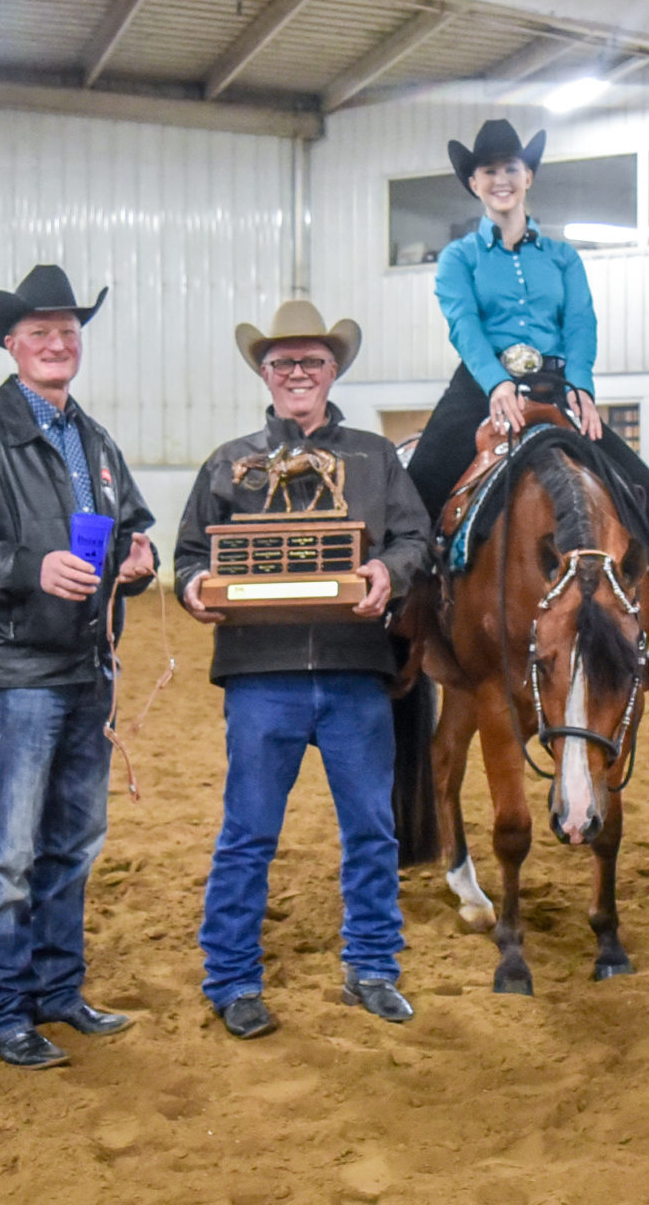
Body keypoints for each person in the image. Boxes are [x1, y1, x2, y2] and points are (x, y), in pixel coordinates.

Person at [0, 265, 158, 1069]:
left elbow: (131, 525)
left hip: (89, 666)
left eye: (68, 332)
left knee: (76, 842)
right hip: (21, 671)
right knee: (12, 850)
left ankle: (58, 992)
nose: (58, 345)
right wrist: (34, 568)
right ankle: (1, 1009)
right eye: (41, 334)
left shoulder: (94, 440)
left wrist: (139, 554)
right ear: (12, 346)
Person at [173, 301, 431, 1040]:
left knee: (372, 830)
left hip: (355, 670)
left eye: (311, 363)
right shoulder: (228, 461)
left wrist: (389, 567)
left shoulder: (377, 458)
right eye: (283, 363)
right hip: (260, 674)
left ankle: (374, 968)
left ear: (333, 371)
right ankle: (230, 980)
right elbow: (192, 554)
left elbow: (416, 539)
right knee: (248, 834)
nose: (297, 375)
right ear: (264, 373)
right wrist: (193, 587)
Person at [406, 119, 649, 563]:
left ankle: (636, 621)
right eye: (488, 171)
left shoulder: (564, 257)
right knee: (414, 495)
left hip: (555, 386)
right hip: (482, 387)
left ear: (528, 176)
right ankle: (409, 621)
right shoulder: (459, 257)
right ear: (474, 183)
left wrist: (582, 386)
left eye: (510, 168)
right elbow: (463, 323)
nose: (501, 180)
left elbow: (581, 323)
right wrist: (496, 383)